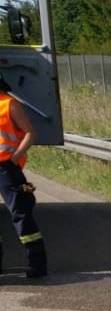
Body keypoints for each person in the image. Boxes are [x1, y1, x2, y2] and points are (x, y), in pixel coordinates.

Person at [0, 77, 42, 278]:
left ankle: (37, 263)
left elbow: (30, 133)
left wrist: (14, 159)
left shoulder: (9, 104)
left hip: (6, 168)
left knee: (21, 214)